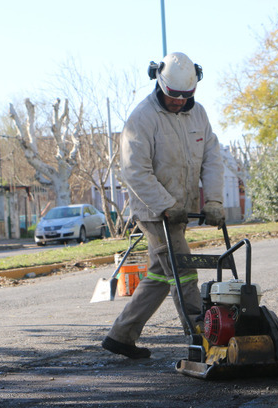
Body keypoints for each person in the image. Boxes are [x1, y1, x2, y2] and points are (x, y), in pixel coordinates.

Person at [101, 52, 225, 360]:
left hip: (181, 211)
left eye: (187, 96)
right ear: (159, 82)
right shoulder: (142, 119)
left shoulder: (200, 116)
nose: (179, 101)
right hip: (154, 211)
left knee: (160, 274)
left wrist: (213, 201)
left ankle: (121, 335)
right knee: (183, 272)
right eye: (173, 95)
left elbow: (212, 160)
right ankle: (202, 340)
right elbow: (135, 171)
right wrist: (165, 205)